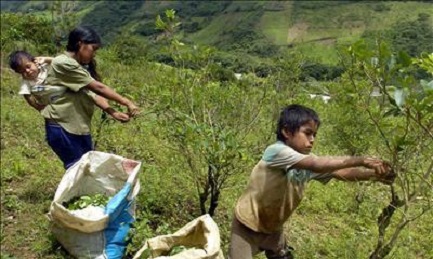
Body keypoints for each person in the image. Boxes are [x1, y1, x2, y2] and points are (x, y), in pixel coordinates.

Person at [228, 104, 395, 259]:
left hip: (273, 227)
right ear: (287, 132)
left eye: (314, 134)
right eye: (307, 133)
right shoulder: (277, 152)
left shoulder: (307, 161)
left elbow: (342, 172)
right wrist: (361, 160)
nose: (312, 139)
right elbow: (318, 164)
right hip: (247, 225)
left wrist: (376, 175)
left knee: (282, 254)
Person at [39, 25, 139, 169]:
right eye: (93, 49)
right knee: (77, 169)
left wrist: (113, 112)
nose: (94, 54)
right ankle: (73, 192)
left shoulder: (78, 66)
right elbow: (98, 88)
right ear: (81, 43)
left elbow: (93, 94)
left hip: (78, 126)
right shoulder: (64, 63)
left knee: (86, 168)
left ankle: (82, 192)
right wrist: (126, 102)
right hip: (62, 126)